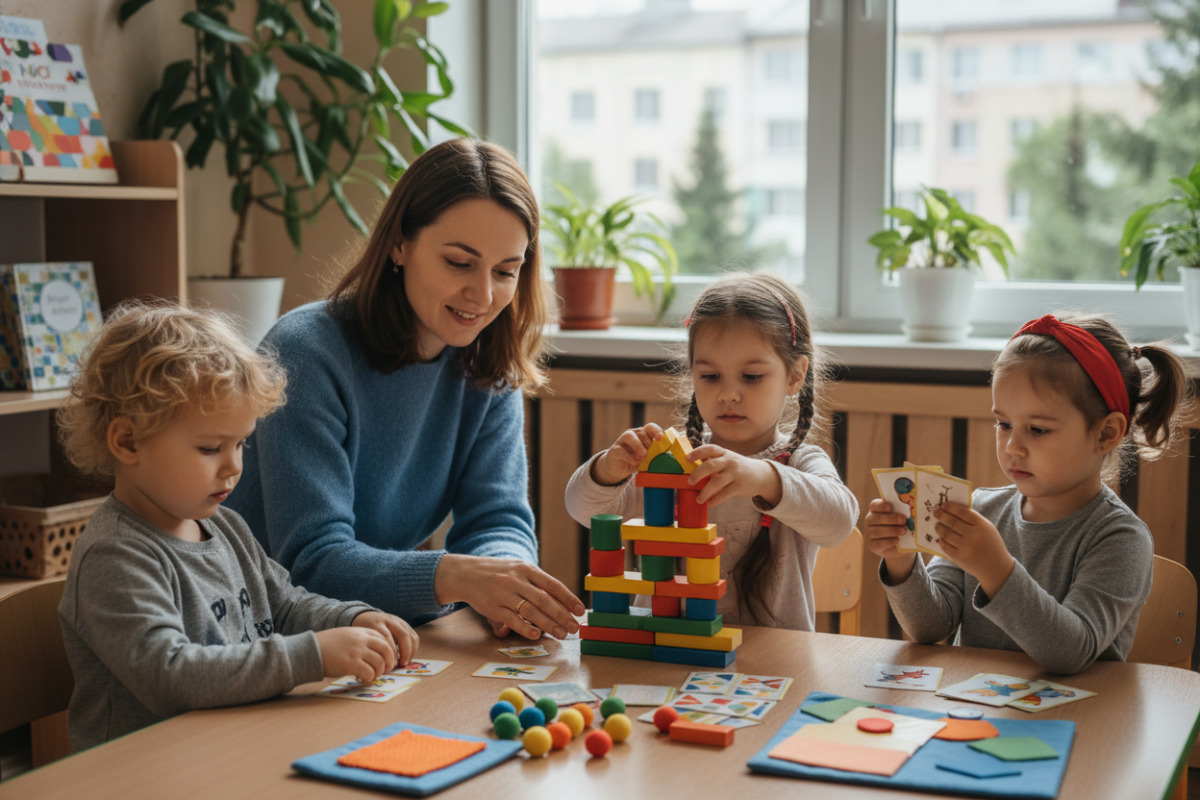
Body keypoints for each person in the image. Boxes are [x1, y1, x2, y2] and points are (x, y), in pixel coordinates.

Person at [227, 137, 584, 641]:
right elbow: (311, 563)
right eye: (459, 262)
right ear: (399, 244)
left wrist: (505, 585)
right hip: (253, 633)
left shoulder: (488, 363)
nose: (483, 295)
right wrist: (458, 577)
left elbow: (497, 519)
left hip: (366, 630)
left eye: (506, 271)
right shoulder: (305, 352)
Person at [55, 302, 419, 752]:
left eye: (242, 444)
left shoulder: (225, 526)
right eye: (211, 448)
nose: (234, 467)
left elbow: (285, 605)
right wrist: (313, 655)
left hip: (228, 747)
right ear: (127, 441)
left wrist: (351, 618)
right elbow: (170, 676)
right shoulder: (114, 555)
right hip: (142, 770)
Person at [864, 313, 1189, 675]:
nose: (1012, 447)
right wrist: (901, 561)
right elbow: (930, 627)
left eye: (1037, 429)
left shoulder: (1120, 537)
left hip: (1089, 708)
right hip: (974, 705)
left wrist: (995, 569)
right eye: (1003, 424)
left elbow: (1071, 652)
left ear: (1106, 433)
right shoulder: (980, 510)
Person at [564, 273, 859, 629]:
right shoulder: (674, 461)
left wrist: (761, 478)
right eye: (710, 376)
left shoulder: (799, 462)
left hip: (771, 658)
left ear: (795, 376)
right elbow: (583, 511)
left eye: (751, 377)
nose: (728, 395)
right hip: (670, 648)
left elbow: (839, 522)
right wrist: (608, 471)